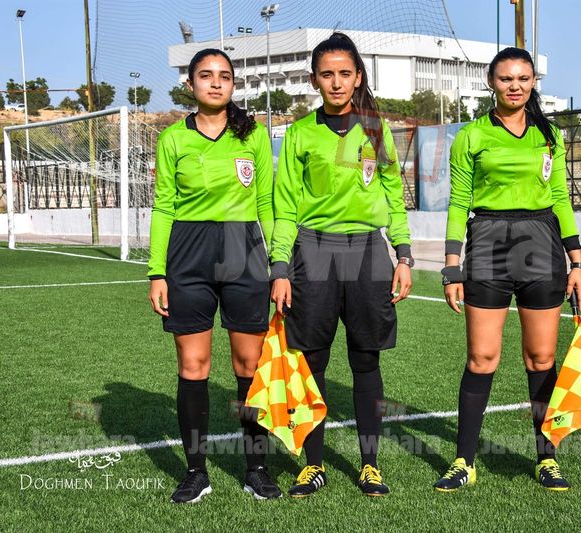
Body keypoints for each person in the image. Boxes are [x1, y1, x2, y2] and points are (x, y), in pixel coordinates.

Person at [434, 47, 581, 493]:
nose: (515, 86)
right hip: (488, 245)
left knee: (541, 358)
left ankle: (547, 458)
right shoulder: (471, 136)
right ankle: (464, 461)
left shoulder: (550, 136)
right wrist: (451, 266)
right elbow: (458, 202)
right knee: (482, 358)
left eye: (523, 78)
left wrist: (577, 261)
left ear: (534, 81)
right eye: (506, 79)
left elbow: (560, 198)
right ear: (491, 83)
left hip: (541, 246)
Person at [269, 32, 413, 498]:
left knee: (365, 358)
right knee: (312, 361)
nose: (336, 82)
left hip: (368, 252)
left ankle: (370, 465)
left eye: (344, 73)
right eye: (327, 74)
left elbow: (394, 196)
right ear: (314, 80)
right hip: (313, 251)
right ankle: (313, 465)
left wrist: (404, 255)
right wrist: (279, 268)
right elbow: (285, 205)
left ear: (358, 77)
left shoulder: (377, 129)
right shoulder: (299, 134)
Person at [147, 48, 281, 503]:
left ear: (233, 85)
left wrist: (279, 265)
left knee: (249, 366)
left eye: (224, 75)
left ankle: (257, 468)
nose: (216, 82)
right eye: (206, 75)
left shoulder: (253, 135)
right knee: (193, 366)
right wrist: (157, 272)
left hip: (244, 250)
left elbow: (266, 204)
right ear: (191, 85)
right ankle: (195, 472)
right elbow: (163, 206)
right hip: (188, 254)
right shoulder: (173, 139)